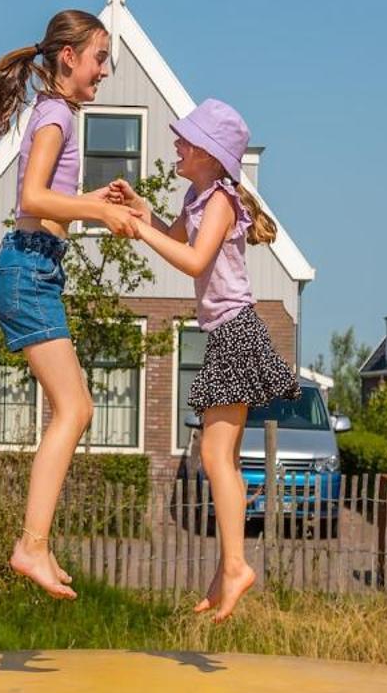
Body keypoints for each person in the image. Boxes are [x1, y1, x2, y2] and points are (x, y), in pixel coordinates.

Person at [109, 99, 294, 621]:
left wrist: (139, 231)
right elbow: (175, 237)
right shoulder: (197, 197)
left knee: (214, 458)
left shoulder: (220, 201)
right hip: (226, 333)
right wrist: (144, 212)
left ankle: (236, 566)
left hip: (235, 332)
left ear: (210, 155)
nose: (176, 144)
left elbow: (192, 259)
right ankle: (227, 569)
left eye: (185, 140)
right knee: (224, 460)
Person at [0, 10, 139, 598]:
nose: (104, 71)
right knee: (75, 410)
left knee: (76, 409)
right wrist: (98, 211)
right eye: (99, 58)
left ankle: (33, 545)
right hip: (27, 271)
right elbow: (33, 196)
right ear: (69, 57)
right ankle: (32, 546)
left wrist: (94, 197)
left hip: (36, 269)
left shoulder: (57, 113)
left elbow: (48, 202)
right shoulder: (53, 116)